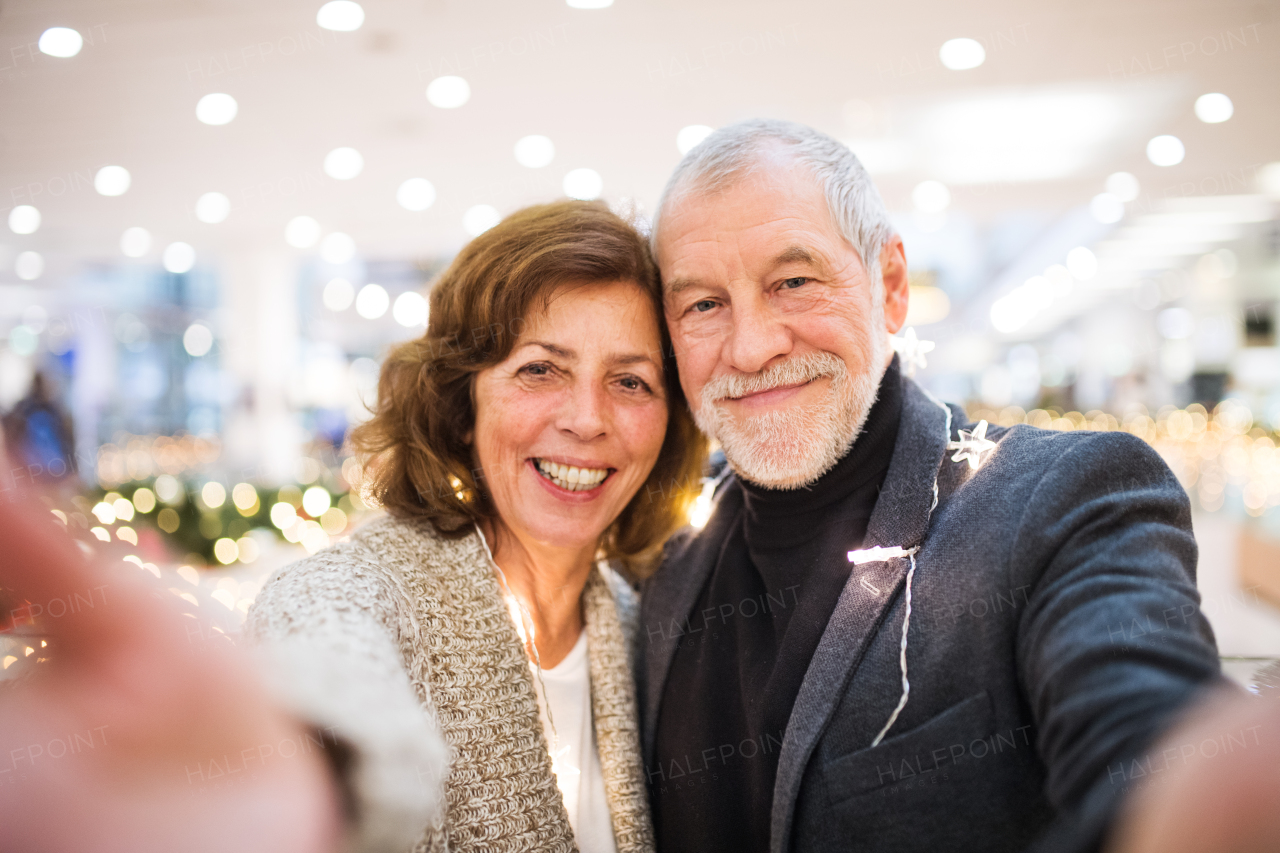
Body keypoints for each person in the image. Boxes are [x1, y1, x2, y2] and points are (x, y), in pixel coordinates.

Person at [638, 119, 1223, 853]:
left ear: (889, 286)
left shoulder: (1059, 501)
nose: (752, 346)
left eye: (793, 281)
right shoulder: (659, 544)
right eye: (703, 305)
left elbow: (1154, 744)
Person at [247, 199, 705, 851]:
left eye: (630, 381)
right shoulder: (362, 590)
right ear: (463, 404)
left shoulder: (637, 622)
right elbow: (322, 651)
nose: (587, 418)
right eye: (540, 369)